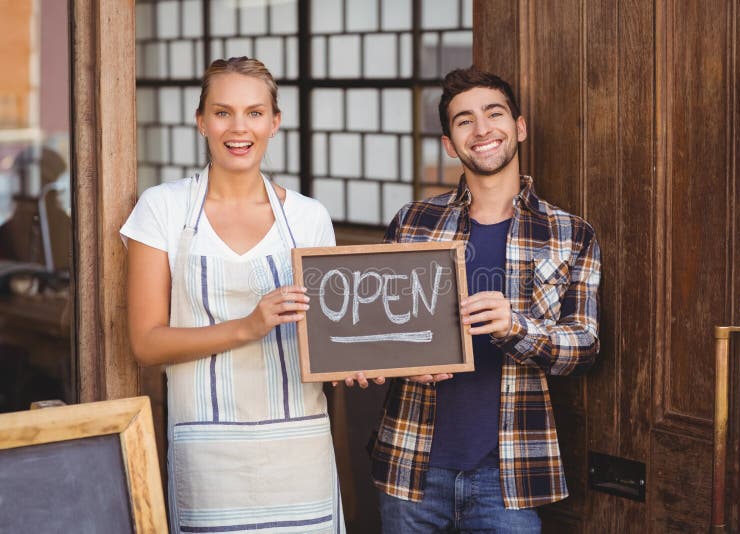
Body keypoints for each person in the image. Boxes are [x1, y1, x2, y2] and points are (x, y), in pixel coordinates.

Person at [368, 67, 601, 533]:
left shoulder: (569, 233)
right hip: (411, 465)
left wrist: (514, 326)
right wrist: (393, 360)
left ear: (519, 126)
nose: (482, 130)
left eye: (494, 114)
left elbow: (585, 345)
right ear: (450, 144)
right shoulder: (413, 222)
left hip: (509, 475)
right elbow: (378, 331)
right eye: (464, 121)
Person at [121, 57, 345, 533]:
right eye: (222, 113)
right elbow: (145, 343)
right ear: (201, 121)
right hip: (208, 454)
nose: (238, 128)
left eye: (254, 113)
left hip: (299, 450)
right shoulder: (162, 208)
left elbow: (329, 337)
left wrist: (361, 361)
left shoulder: (309, 218)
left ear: (274, 123)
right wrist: (248, 326)